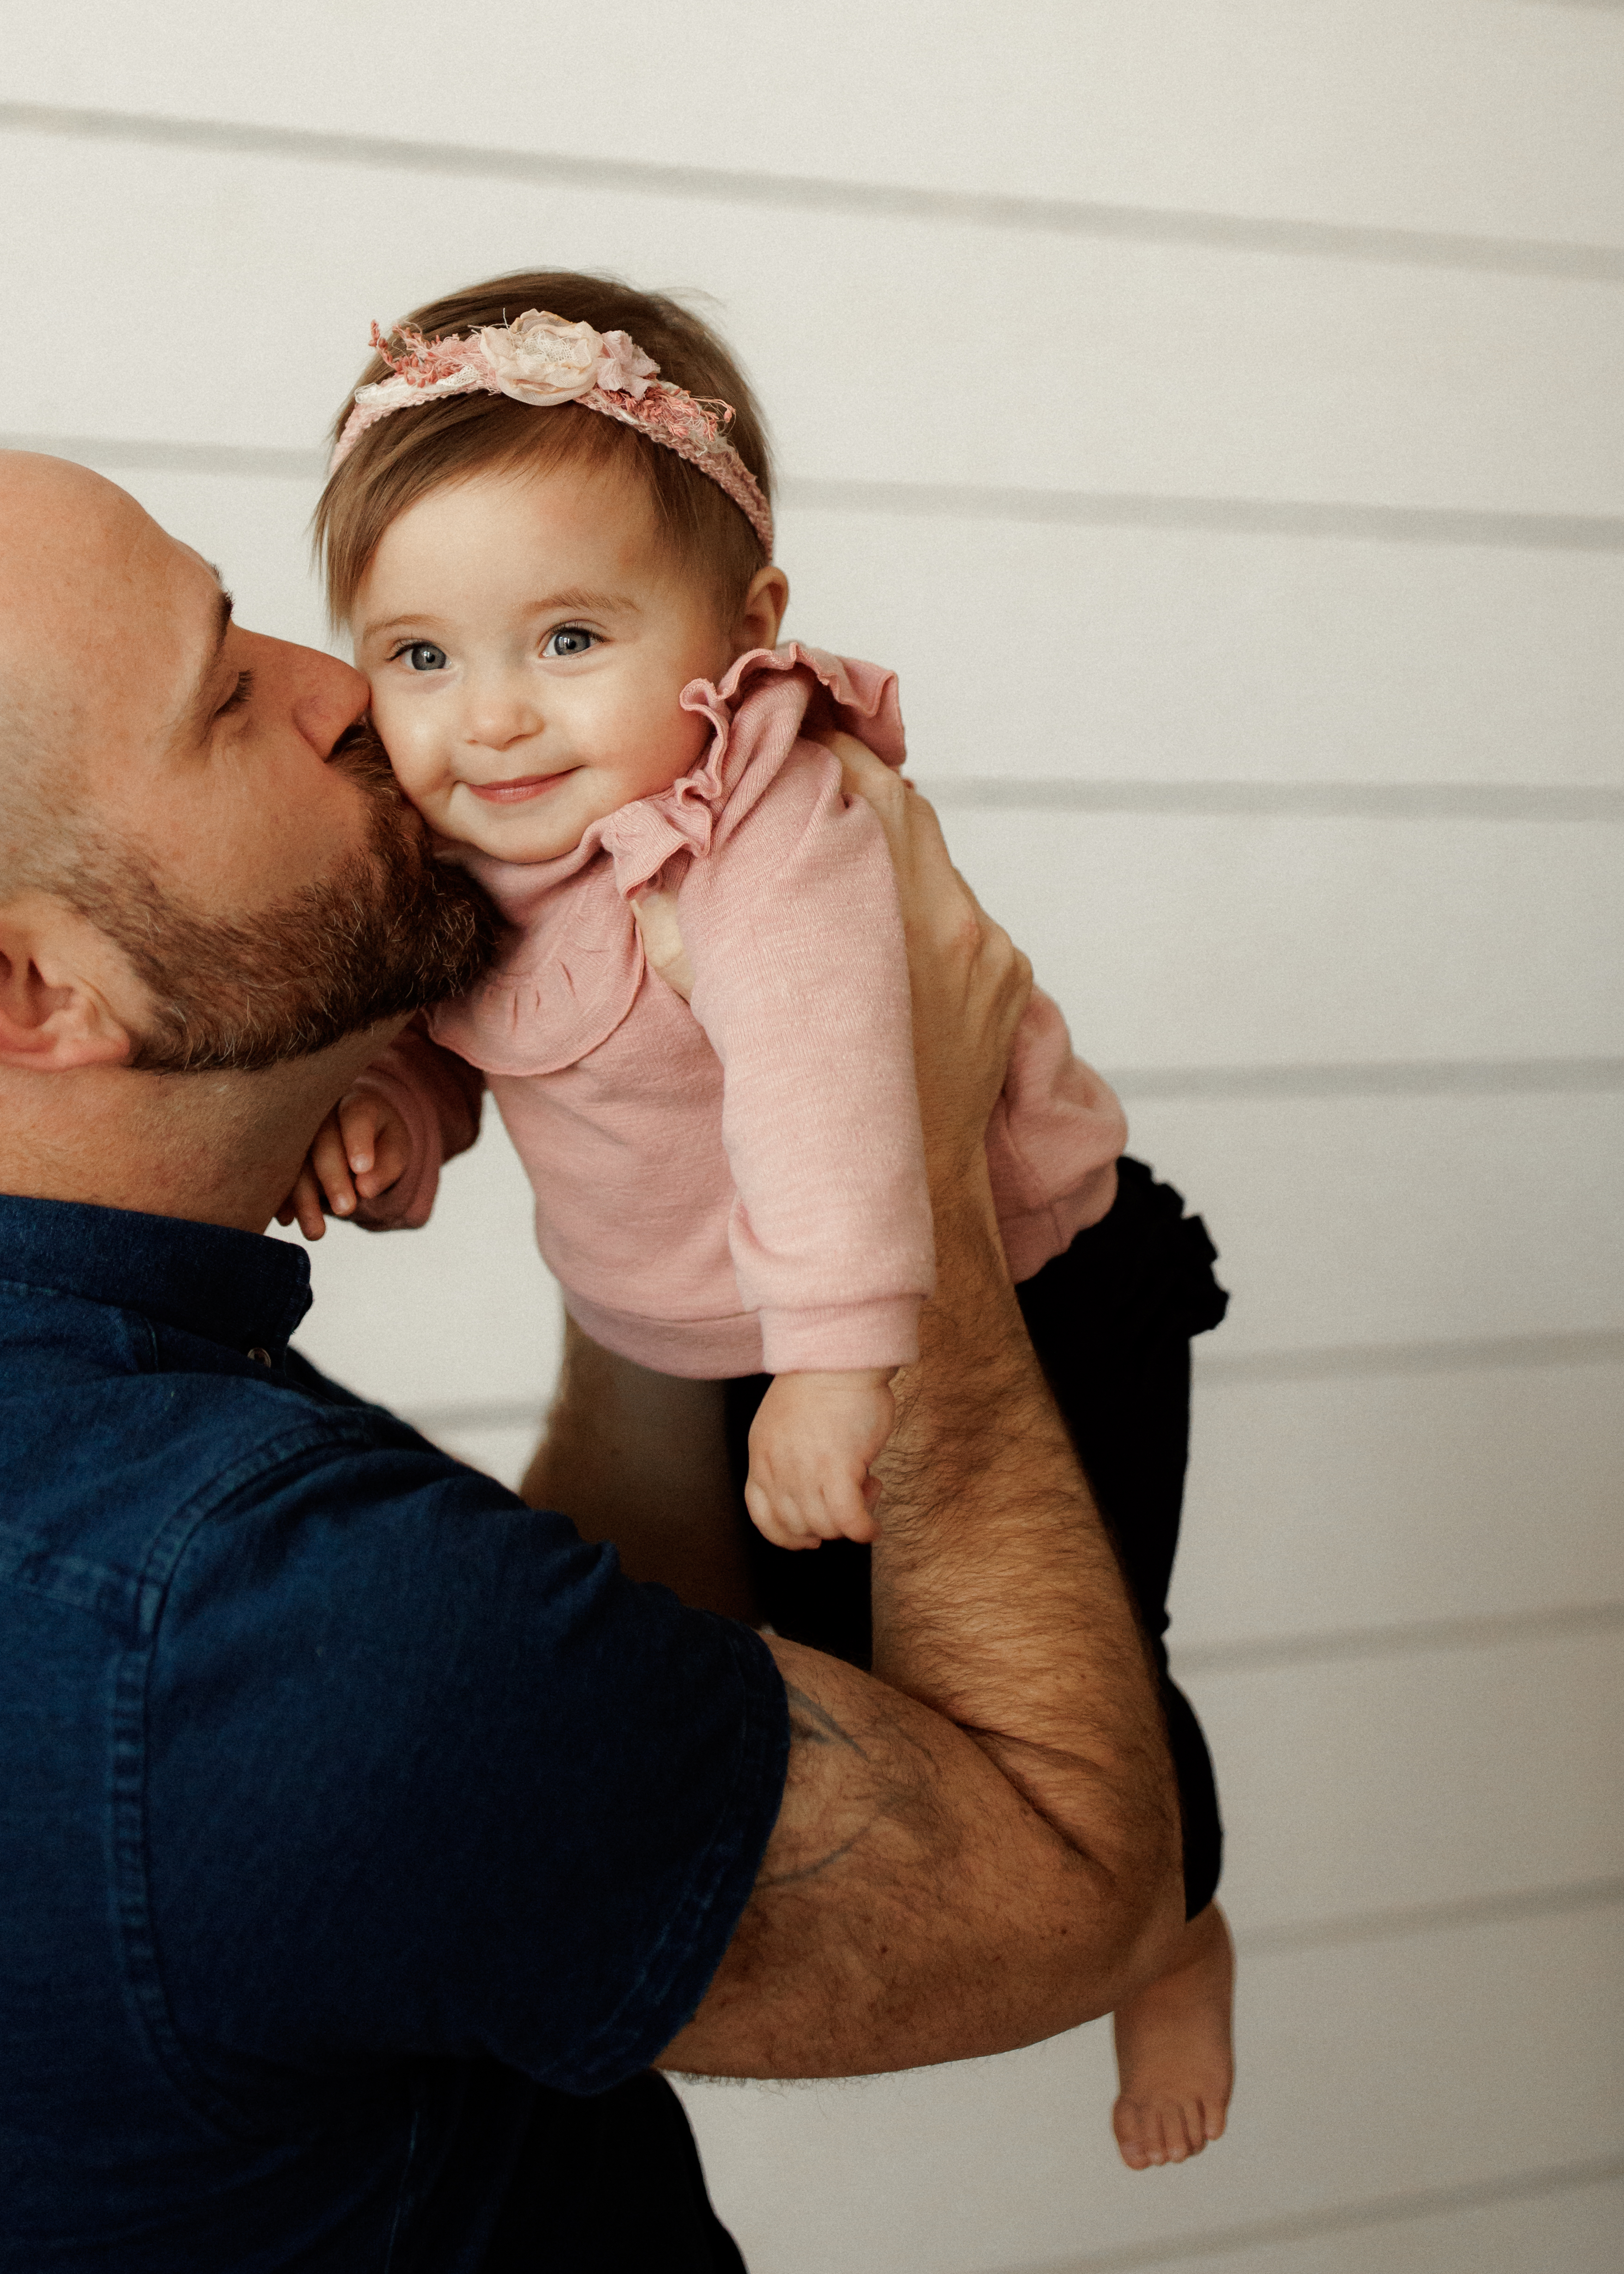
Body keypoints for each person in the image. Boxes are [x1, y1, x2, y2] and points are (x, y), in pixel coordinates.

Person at [0, 448, 1182, 2271]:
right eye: (224, 697)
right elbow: (1079, 1883)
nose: (353, 685)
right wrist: (902, 1159)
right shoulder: (255, 1618)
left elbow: (563, 1725)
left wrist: (692, 1109)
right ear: (31, 989)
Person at [292, 272, 1233, 2170]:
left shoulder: (756, 829)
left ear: (743, 627)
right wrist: (394, 1112)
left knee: (1066, 1644)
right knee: (850, 1685)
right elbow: (478, 1035)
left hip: (1025, 1276)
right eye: (417, 655)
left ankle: (1176, 1917)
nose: (488, 718)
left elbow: (822, 1095)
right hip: (752, 1329)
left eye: (566, 635)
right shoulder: (476, 834)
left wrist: (835, 1356)